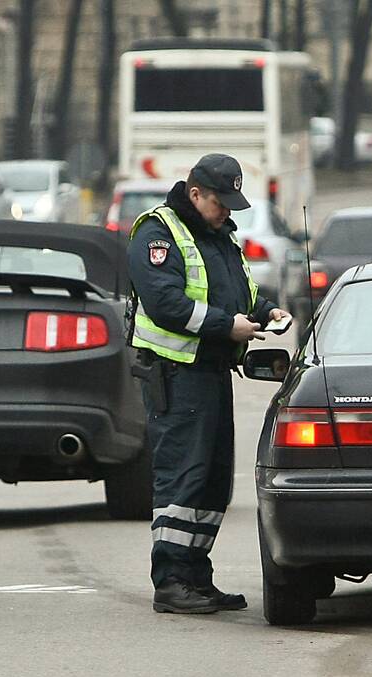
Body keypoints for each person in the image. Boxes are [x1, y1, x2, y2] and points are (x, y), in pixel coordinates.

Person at [127, 153, 291, 614]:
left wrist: (267, 311)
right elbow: (166, 304)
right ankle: (172, 581)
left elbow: (242, 292)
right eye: (222, 203)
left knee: (213, 482)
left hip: (211, 372)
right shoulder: (158, 232)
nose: (228, 212)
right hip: (176, 374)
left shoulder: (218, 236)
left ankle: (196, 576)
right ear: (195, 193)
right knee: (183, 478)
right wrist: (227, 326)